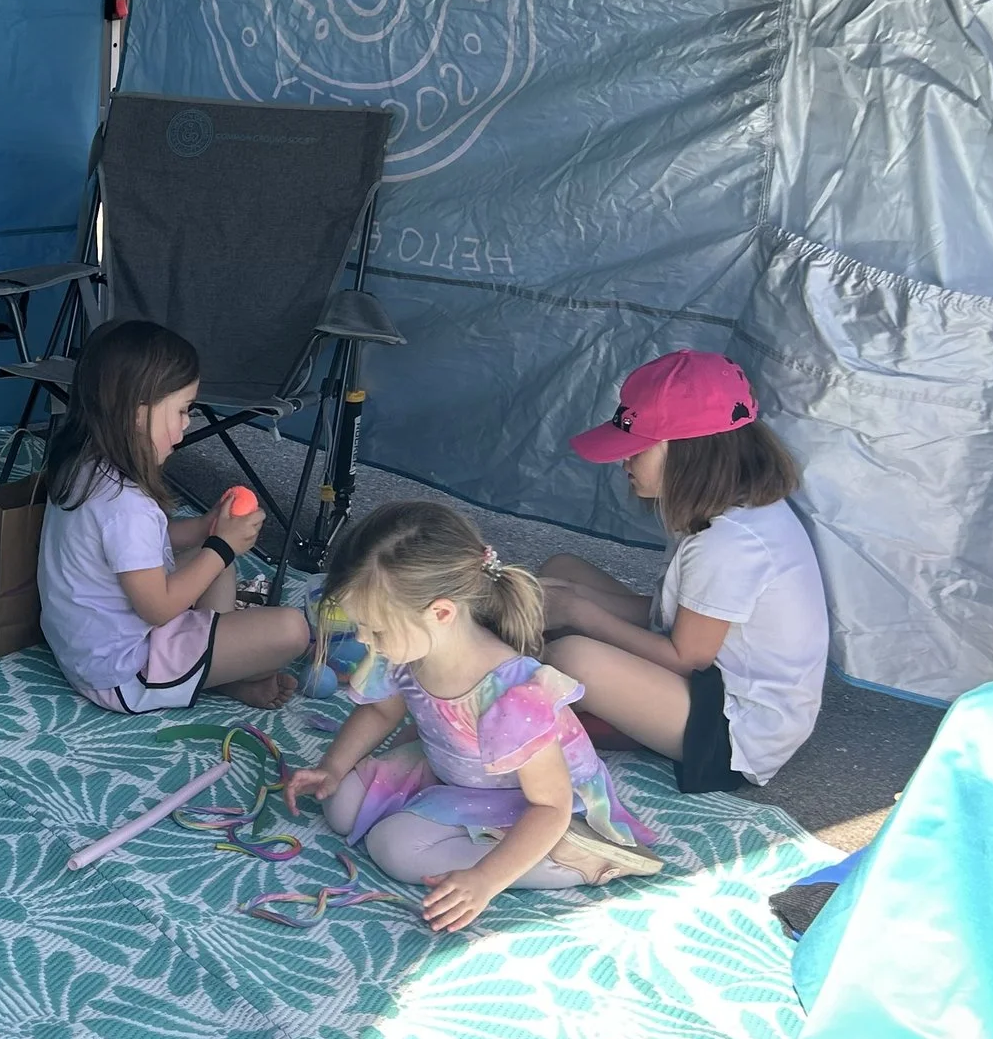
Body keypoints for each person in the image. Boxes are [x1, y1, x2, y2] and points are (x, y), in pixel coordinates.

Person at [283, 501, 662, 933]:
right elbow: (383, 709)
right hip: (458, 770)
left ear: (440, 613)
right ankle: (444, 817)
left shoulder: (512, 694)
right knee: (341, 805)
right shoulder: (410, 646)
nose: (367, 640)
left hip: (536, 803)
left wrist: (485, 880)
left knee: (395, 848)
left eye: (376, 629)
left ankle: (576, 861)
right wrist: (331, 767)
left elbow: (550, 805)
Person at [539, 350, 827, 793]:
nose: (624, 463)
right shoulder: (728, 509)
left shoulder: (732, 541)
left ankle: (534, 697)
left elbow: (687, 657)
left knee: (572, 656)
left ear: (689, 452)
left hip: (737, 733)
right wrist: (570, 598)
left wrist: (579, 613)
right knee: (562, 570)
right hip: (712, 682)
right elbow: (669, 614)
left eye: (637, 450)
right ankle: (578, 696)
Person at [34, 320, 312, 715]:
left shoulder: (85, 465)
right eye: (183, 410)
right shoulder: (126, 504)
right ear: (136, 410)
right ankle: (224, 673)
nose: (186, 423)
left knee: (215, 564)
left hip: (86, 649)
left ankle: (217, 666)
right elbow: (158, 608)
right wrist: (222, 545)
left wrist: (203, 530)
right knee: (292, 630)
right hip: (125, 674)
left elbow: (131, 549)